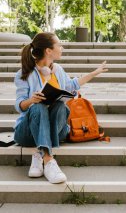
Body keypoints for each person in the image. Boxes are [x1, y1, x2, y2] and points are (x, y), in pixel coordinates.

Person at [13, 32, 107, 183]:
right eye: (59, 45)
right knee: (38, 108)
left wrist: (94, 73)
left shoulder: (58, 70)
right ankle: (49, 161)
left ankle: (39, 154)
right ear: (49, 50)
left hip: (55, 129)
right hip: (27, 132)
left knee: (61, 106)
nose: (62, 48)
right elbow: (20, 106)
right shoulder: (24, 74)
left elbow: (72, 86)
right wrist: (32, 100)